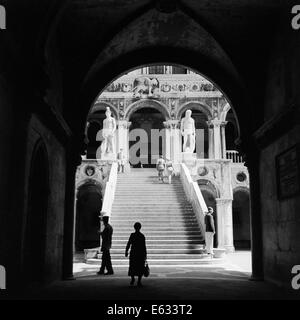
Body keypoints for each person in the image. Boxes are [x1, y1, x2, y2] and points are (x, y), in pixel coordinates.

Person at [125, 222, 147, 287]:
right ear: (140, 228)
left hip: (133, 253)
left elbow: (128, 244)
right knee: (140, 267)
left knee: (132, 266)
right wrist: (145, 255)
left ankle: (132, 278)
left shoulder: (132, 235)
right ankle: (139, 281)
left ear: (134, 227)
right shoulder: (142, 236)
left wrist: (126, 251)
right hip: (140, 253)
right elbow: (144, 246)